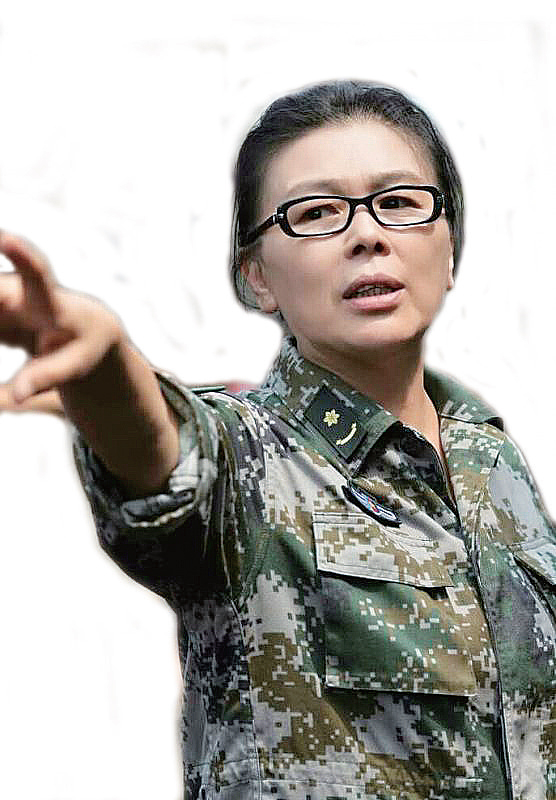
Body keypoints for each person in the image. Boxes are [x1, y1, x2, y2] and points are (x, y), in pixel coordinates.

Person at [1, 80, 555, 800]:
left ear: (449, 250)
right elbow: (166, 452)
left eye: (398, 202)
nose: (367, 235)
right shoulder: (249, 456)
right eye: (316, 212)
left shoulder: (491, 460)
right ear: (257, 277)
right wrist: (107, 368)